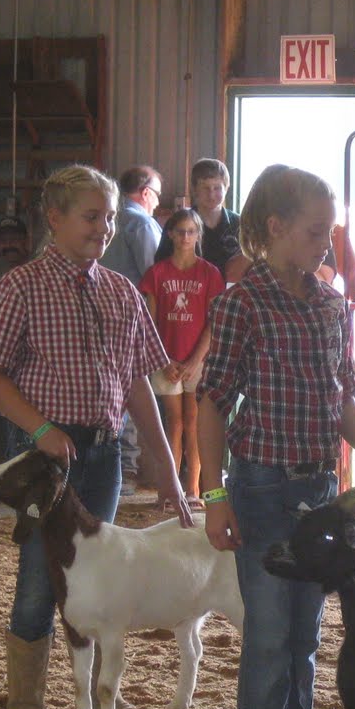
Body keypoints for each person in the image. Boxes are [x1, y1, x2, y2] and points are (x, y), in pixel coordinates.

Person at [197, 164, 355, 709]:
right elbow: (212, 401)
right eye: (315, 232)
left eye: (329, 232)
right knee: (269, 644)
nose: (325, 244)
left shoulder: (331, 305)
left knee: (303, 645)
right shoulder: (241, 304)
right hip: (261, 487)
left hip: (318, 491)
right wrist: (215, 494)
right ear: (275, 227)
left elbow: (341, 399)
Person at [0, 165, 189, 709]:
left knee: (101, 576)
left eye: (110, 217)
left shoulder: (121, 291)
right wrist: (40, 428)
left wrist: (167, 468)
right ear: (55, 218)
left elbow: (139, 383)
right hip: (43, 457)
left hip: (102, 452)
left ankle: (96, 700)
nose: (104, 228)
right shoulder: (21, 286)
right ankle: (27, 706)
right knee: (39, 580)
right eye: (91, 217)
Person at [137, 208, 225, 505]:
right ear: (171, 234)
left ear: (198, 235)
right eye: (180, 231)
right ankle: (171, 489)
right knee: (173, 423)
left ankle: (193, 490)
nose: (186, 237)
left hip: (198, 359)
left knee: (194, 421)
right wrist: (163, 360)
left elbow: (213, 322)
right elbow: (149, 322)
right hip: (166, 358)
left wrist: (195, 360)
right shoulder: (157, 273)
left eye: (191, 231)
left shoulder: (210, 273)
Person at [101, 166, 164, 498]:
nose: (157, 203)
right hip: (127, 318)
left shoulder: (109, 218)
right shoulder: (140, 224)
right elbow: (155, 276)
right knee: (128, 388)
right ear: (146, 192)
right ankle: (125, 468)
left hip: (96, 316)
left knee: (108, 388)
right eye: (157, 196)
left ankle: (111, 465)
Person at [156, 157, 250, 284]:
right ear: (194, 189)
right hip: (188, 291)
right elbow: (161, 264)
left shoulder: (240, 224)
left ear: (226, 188)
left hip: (229, 292)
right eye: (205, 188)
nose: (211, 195)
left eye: (217, 188)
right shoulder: (177, 223)